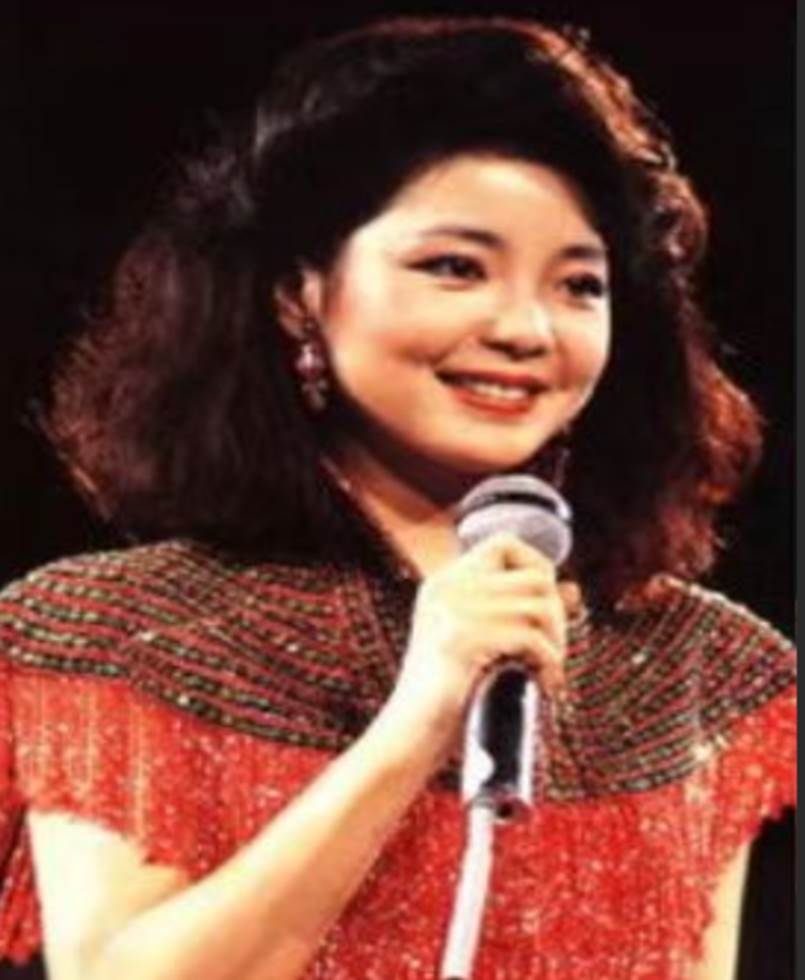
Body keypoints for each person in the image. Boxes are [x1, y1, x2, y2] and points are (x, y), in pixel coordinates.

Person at [0, 15, 794, 980]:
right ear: (299, 293)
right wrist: (417, 720)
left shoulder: (694, 666)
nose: (525, 328)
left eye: (579, 285)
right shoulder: (112, 635)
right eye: (454, 267)